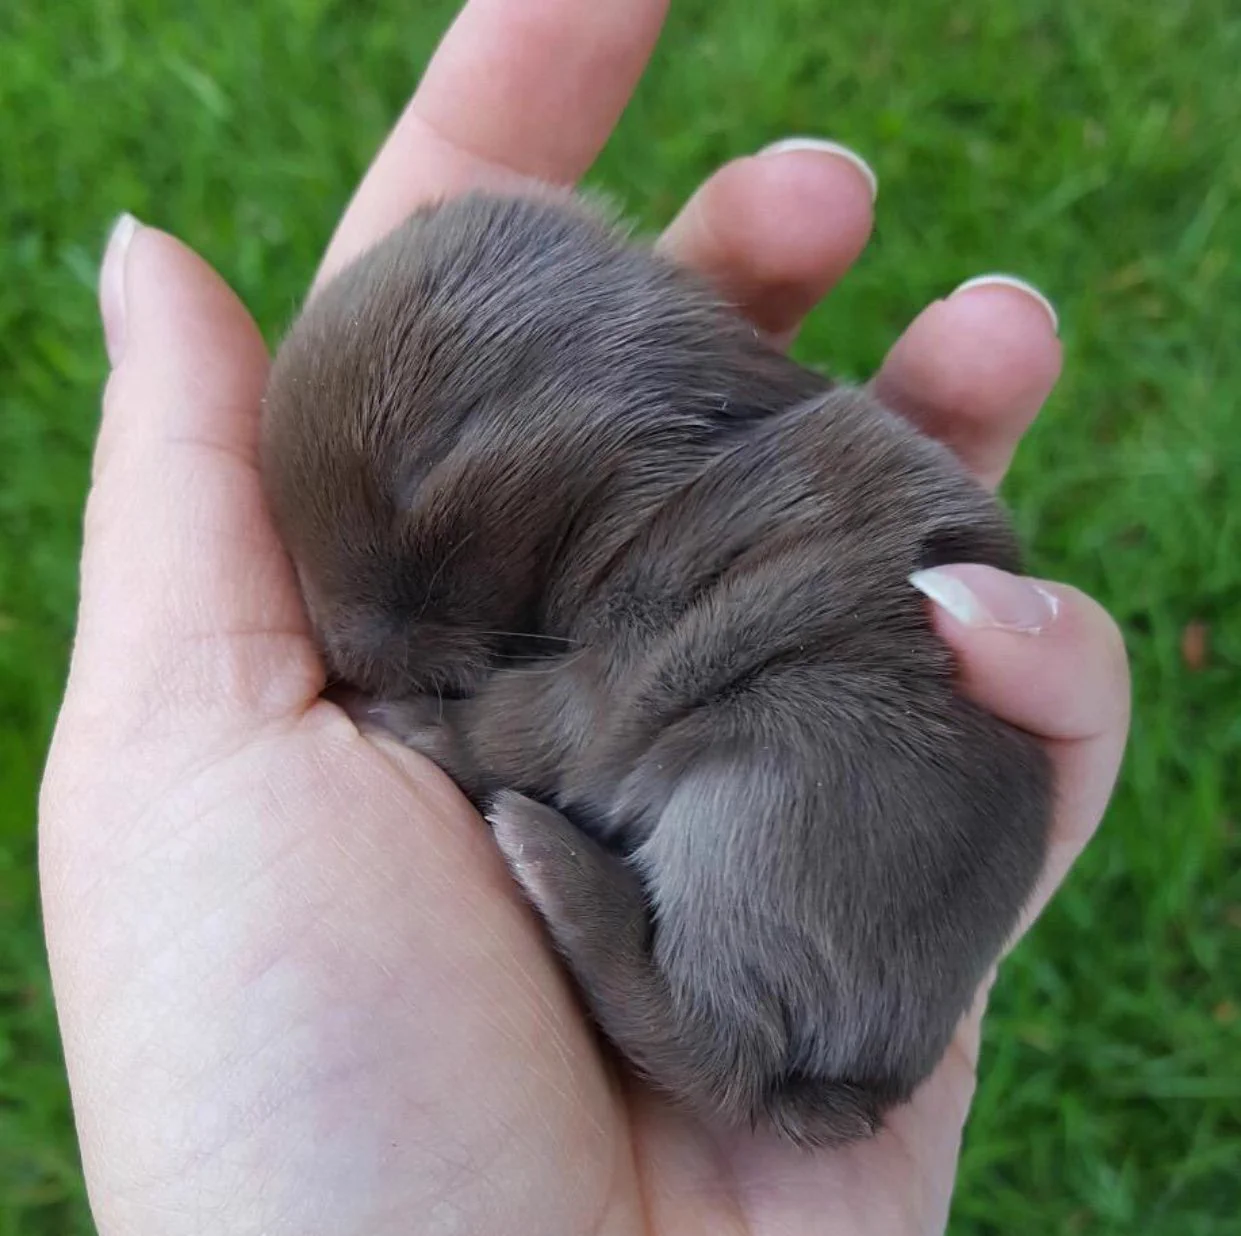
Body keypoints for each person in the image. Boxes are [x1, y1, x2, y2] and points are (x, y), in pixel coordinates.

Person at [38, 1, 1130, 1232]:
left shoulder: (686, 519)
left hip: (820, 767)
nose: (348, 637)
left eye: (393, 550)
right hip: (839, 896)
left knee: (798, 762)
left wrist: (456, 741)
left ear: (570, 430)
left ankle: (708, 1031)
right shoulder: (666, 466)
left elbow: (587, 709)